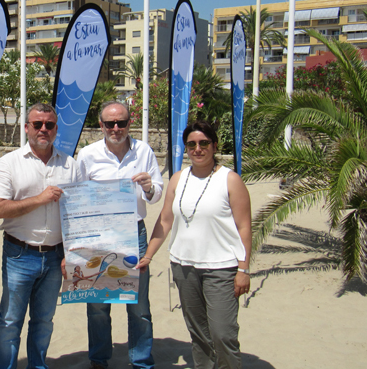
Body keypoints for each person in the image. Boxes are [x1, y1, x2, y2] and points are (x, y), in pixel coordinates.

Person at [136, 120, 252, 369]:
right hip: (184, 267)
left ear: (214, 145)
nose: (197, 149)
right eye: (191, 145)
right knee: (198, 334)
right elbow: (165, 220)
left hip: (221, 268)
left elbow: (244, 227)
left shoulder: (230, 180)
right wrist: (148, 255)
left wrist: (243, 269)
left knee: (223, 333)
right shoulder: (178, 178)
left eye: (203, 143)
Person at [0, 103, 81, 369]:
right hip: (19, 255)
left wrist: (70, 254)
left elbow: (78, 214)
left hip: (56, 257)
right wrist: (40, 199)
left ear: (56, 129)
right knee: (10, 322)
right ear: (26, 127)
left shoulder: (71, 165)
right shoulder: (9, 163)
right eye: (37, 124)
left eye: (49, 125)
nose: (43, 129)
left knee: (43, 322)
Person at [76, 101, 164, 369]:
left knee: (138, 306)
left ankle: (141, 362)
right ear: (101, 125)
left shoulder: (144, 151)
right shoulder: (87, 155)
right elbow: (78, 197)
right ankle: (99, 360)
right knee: (98, 305)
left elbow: (156, 195)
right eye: (110, 123)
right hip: (98, 236)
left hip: (133, 233)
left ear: (129, 123)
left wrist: (149, 187)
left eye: (121, 122)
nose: (116, 128)